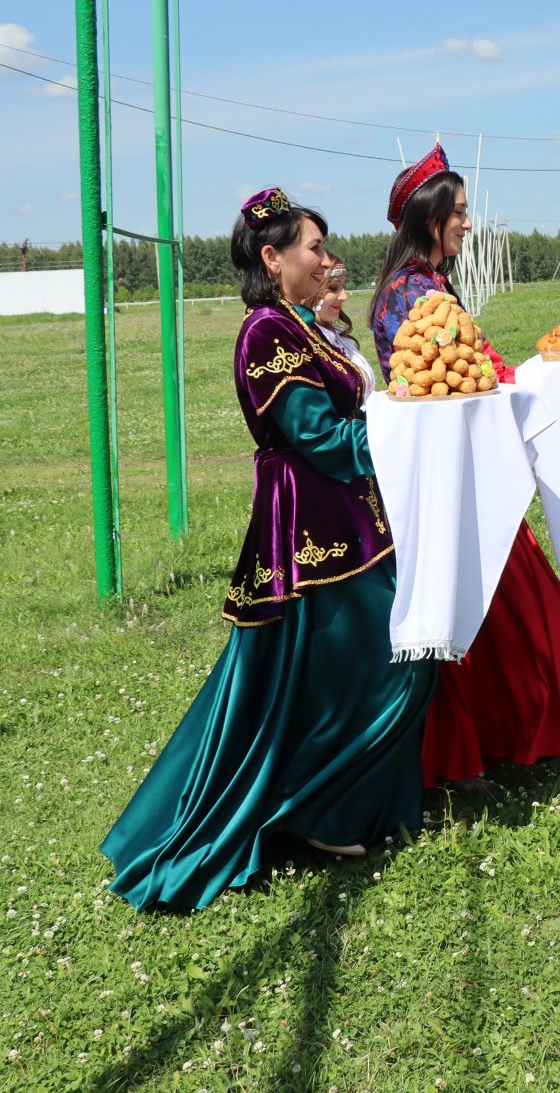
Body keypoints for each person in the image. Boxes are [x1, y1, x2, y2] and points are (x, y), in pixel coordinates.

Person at [102, 189, 436, 910]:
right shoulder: (265, 333)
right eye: (313, 248)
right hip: (312, 527)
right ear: (271, 257)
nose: (325, 260)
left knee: (310, 681)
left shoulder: (298, 325)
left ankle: (340, 810)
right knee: (392, 661)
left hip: (349, 518)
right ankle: (320, 812)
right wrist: (404, 423)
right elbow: (315, 437)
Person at [371, 145, 560, 787]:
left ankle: (471, 754)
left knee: (475, 613)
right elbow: (454, 382)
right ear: (429, 217)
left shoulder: (427, 287)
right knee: (527, 604)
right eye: (457, 212)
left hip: (458, 473)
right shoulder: (411, 295)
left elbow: (476, 371)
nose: (466, 222)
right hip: (453, 479)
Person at [312, 257, 376, 397]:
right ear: (310, 288)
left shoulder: (340, 336)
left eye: (343, 287)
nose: (344, 296)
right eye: (334, 287)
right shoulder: (304, 342)